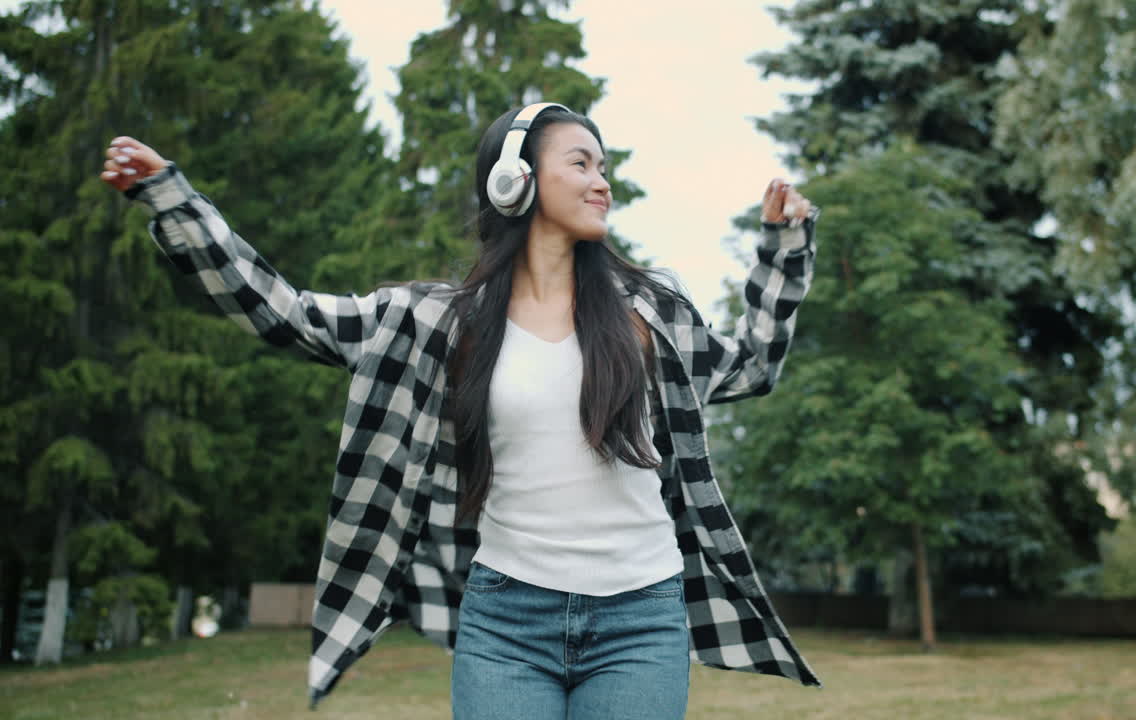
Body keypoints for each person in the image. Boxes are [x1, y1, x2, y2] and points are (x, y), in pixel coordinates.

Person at [100, 102, 821, 719]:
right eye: (581, 164)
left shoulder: (649, 314)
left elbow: (751, 367)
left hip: (641, 616)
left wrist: (783, 251)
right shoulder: (442, 324)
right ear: (516, 181)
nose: (602, 183)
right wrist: (173, 200)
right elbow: (287, 313)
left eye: (604, 168)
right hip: (507, 621)